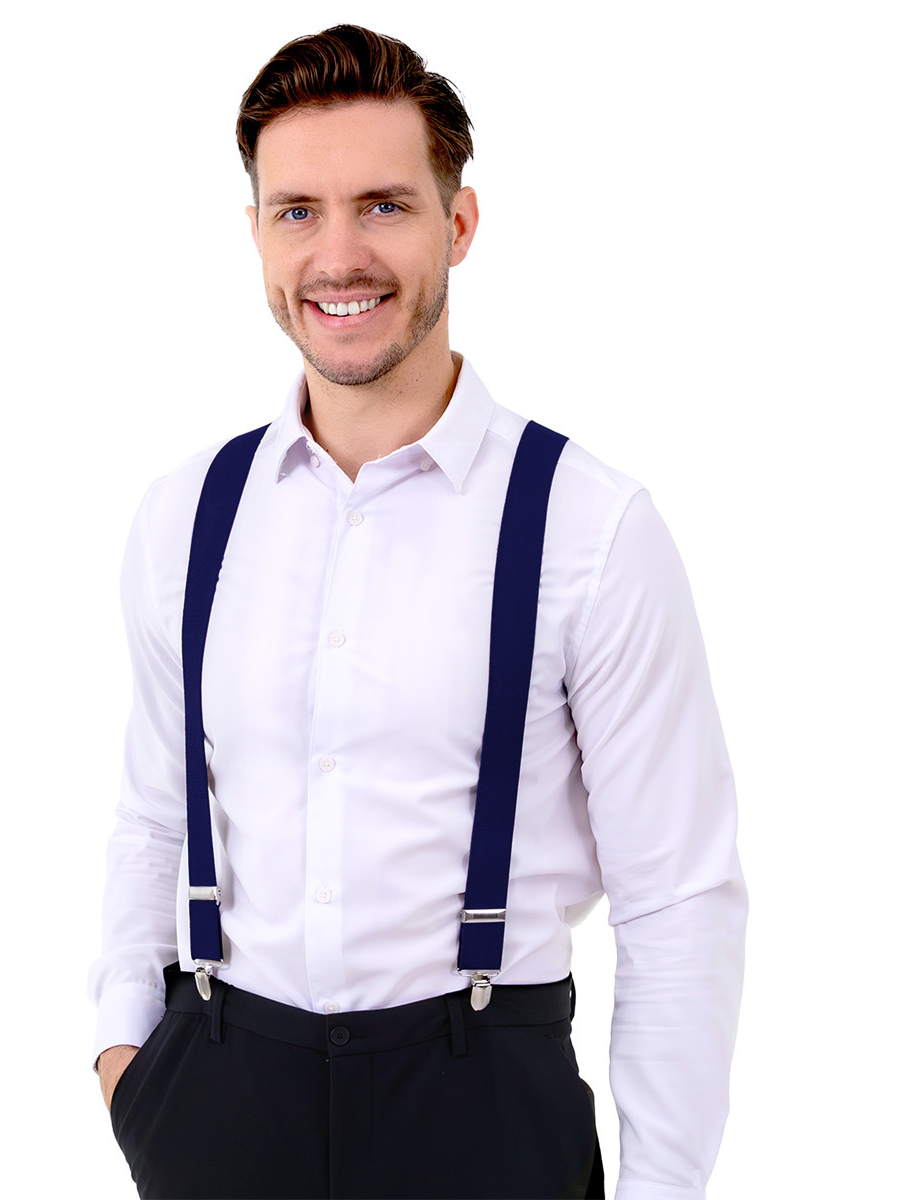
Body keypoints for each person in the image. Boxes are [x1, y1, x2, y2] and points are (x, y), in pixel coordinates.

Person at [87, 24, 746, 1200]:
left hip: (482, 1107)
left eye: (384, 206)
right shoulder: (186, 513)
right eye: (297, 211)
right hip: (219, 1101)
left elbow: (677, 900)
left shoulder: (590, 528)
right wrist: (126, 1061)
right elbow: (152, 811)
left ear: (460, 223)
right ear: (256, 235)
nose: (337, 255)